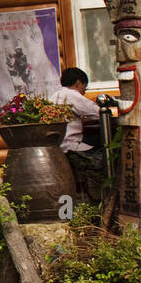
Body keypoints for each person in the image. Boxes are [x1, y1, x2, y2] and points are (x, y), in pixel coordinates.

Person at [49, 67, 103, 201]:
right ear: (78, 83)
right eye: (85, 88)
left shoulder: (54, 96)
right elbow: (99, 112)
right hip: (71, 146)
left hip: (57, 146)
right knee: (106, 140)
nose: (84, 92)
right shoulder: (72, 95)